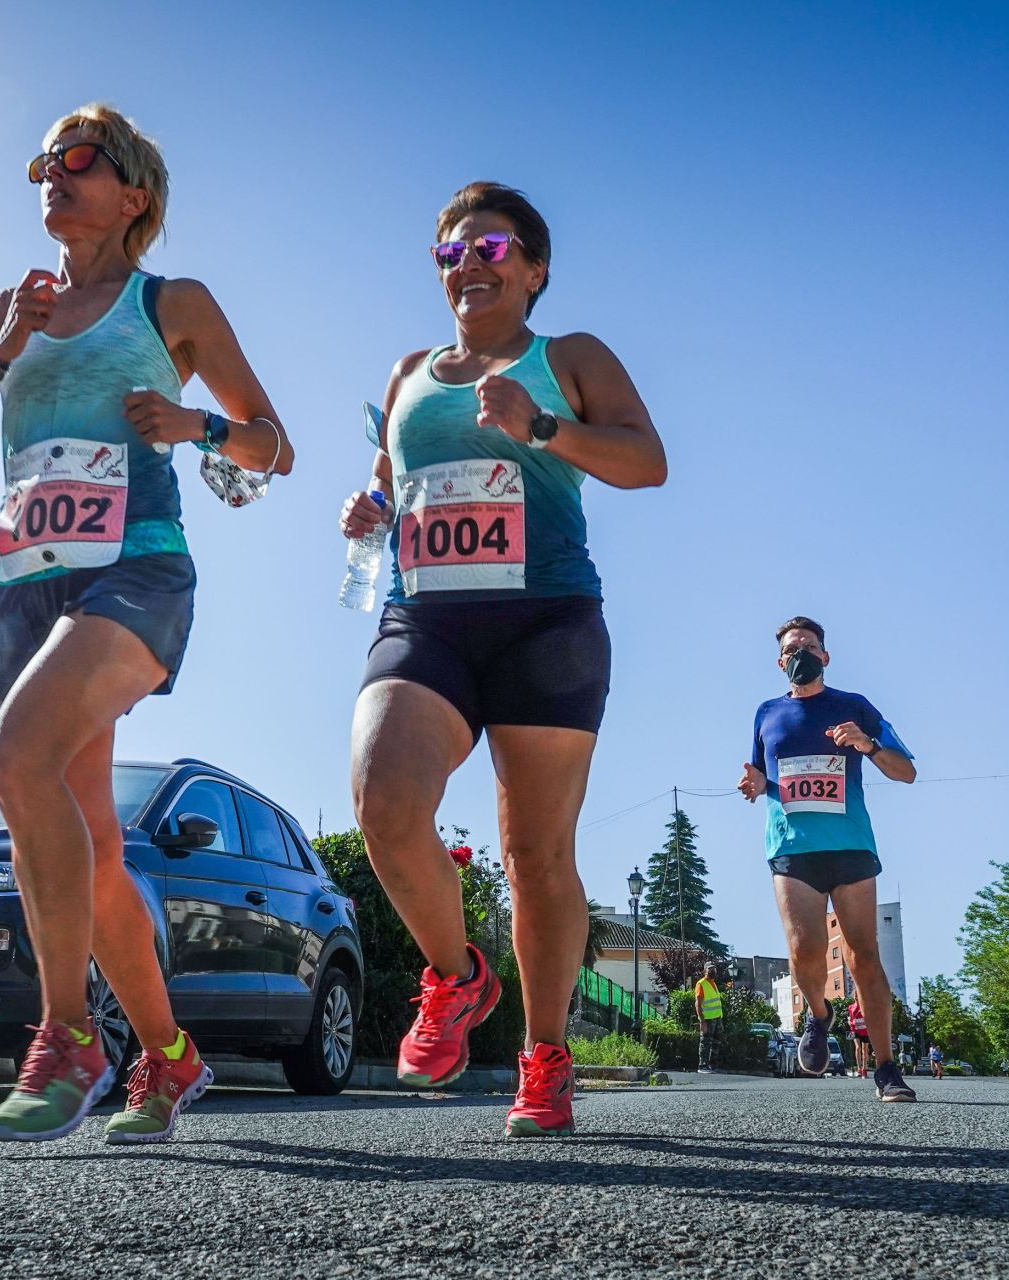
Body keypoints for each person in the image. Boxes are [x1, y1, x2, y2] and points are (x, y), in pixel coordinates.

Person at [0, 103, 292, 1143]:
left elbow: (274, 445)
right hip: (27, 581)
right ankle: (169, 1059)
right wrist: (2, 349)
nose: (53, 175)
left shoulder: (171, 299)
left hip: (135, 571)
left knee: (15, 760)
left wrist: (194, 422)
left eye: (78, 161)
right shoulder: (14, 303)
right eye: (42, 161)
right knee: (92, 844)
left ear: (134, 196)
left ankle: (71, 1035)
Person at [338, 182, 667, 1137]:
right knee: (383, 801)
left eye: (488, 246)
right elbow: (389, 479)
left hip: (546, 622)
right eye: (449, 252)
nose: (467, 264)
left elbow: (648, 461)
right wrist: (367, 508)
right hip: (427, 620)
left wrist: (542, 426)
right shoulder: (409, 371)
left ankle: (546, 1055)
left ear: (534, 269)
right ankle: (455, 977)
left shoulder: (568, 357)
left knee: (532, 854)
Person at [738, 615, 920, 1102]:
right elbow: (758, 772)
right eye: (792, 649)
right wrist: (755, 785)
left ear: (826, 656)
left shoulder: (854, 706)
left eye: (810, 647)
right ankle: (819, 1016)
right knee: (805, 952)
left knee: (864, 956)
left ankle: (886, 1069)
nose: (801, 655)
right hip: (792, 847)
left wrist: (867, 744)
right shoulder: (766, 713)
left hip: (850, 845)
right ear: (780, 662)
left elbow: (907, 772)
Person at [695, 963, 727, 1074]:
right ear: (705, 970)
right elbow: (698, 1003)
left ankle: (713, 1065)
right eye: (710, 969)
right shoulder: (701, 983)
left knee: (716, 1042)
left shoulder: (713, 983)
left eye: (714, 969)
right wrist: (701, 1020)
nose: (713, 971)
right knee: (705, 1042)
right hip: (708, 1019)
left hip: (717, 1018)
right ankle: (702, 1065)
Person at [848, 997, 872, 1074]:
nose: (856, 999)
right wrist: (851, 1024)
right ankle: (859, 1068)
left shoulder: (865, 1005)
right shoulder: (851, 1007)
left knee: (864, 1050)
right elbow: (851, 1018)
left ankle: (864, 1068)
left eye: (858, 997)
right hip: (855, 1030)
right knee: (858, 1047)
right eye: (855, 997)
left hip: (865, 1030)